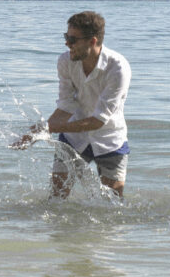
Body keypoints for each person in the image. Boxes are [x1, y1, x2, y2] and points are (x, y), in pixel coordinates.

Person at [11, 11, 131, 198]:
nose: (67, 43)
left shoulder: (118, 68)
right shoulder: (65, 61)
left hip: (110, 138)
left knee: (113, 205)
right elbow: (66, 105)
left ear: (92, 41)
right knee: (56, 199)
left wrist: (50, 128)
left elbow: (98, 121)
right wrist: (39, 131)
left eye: (73, 39)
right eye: (66, 37)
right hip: (73, 139)